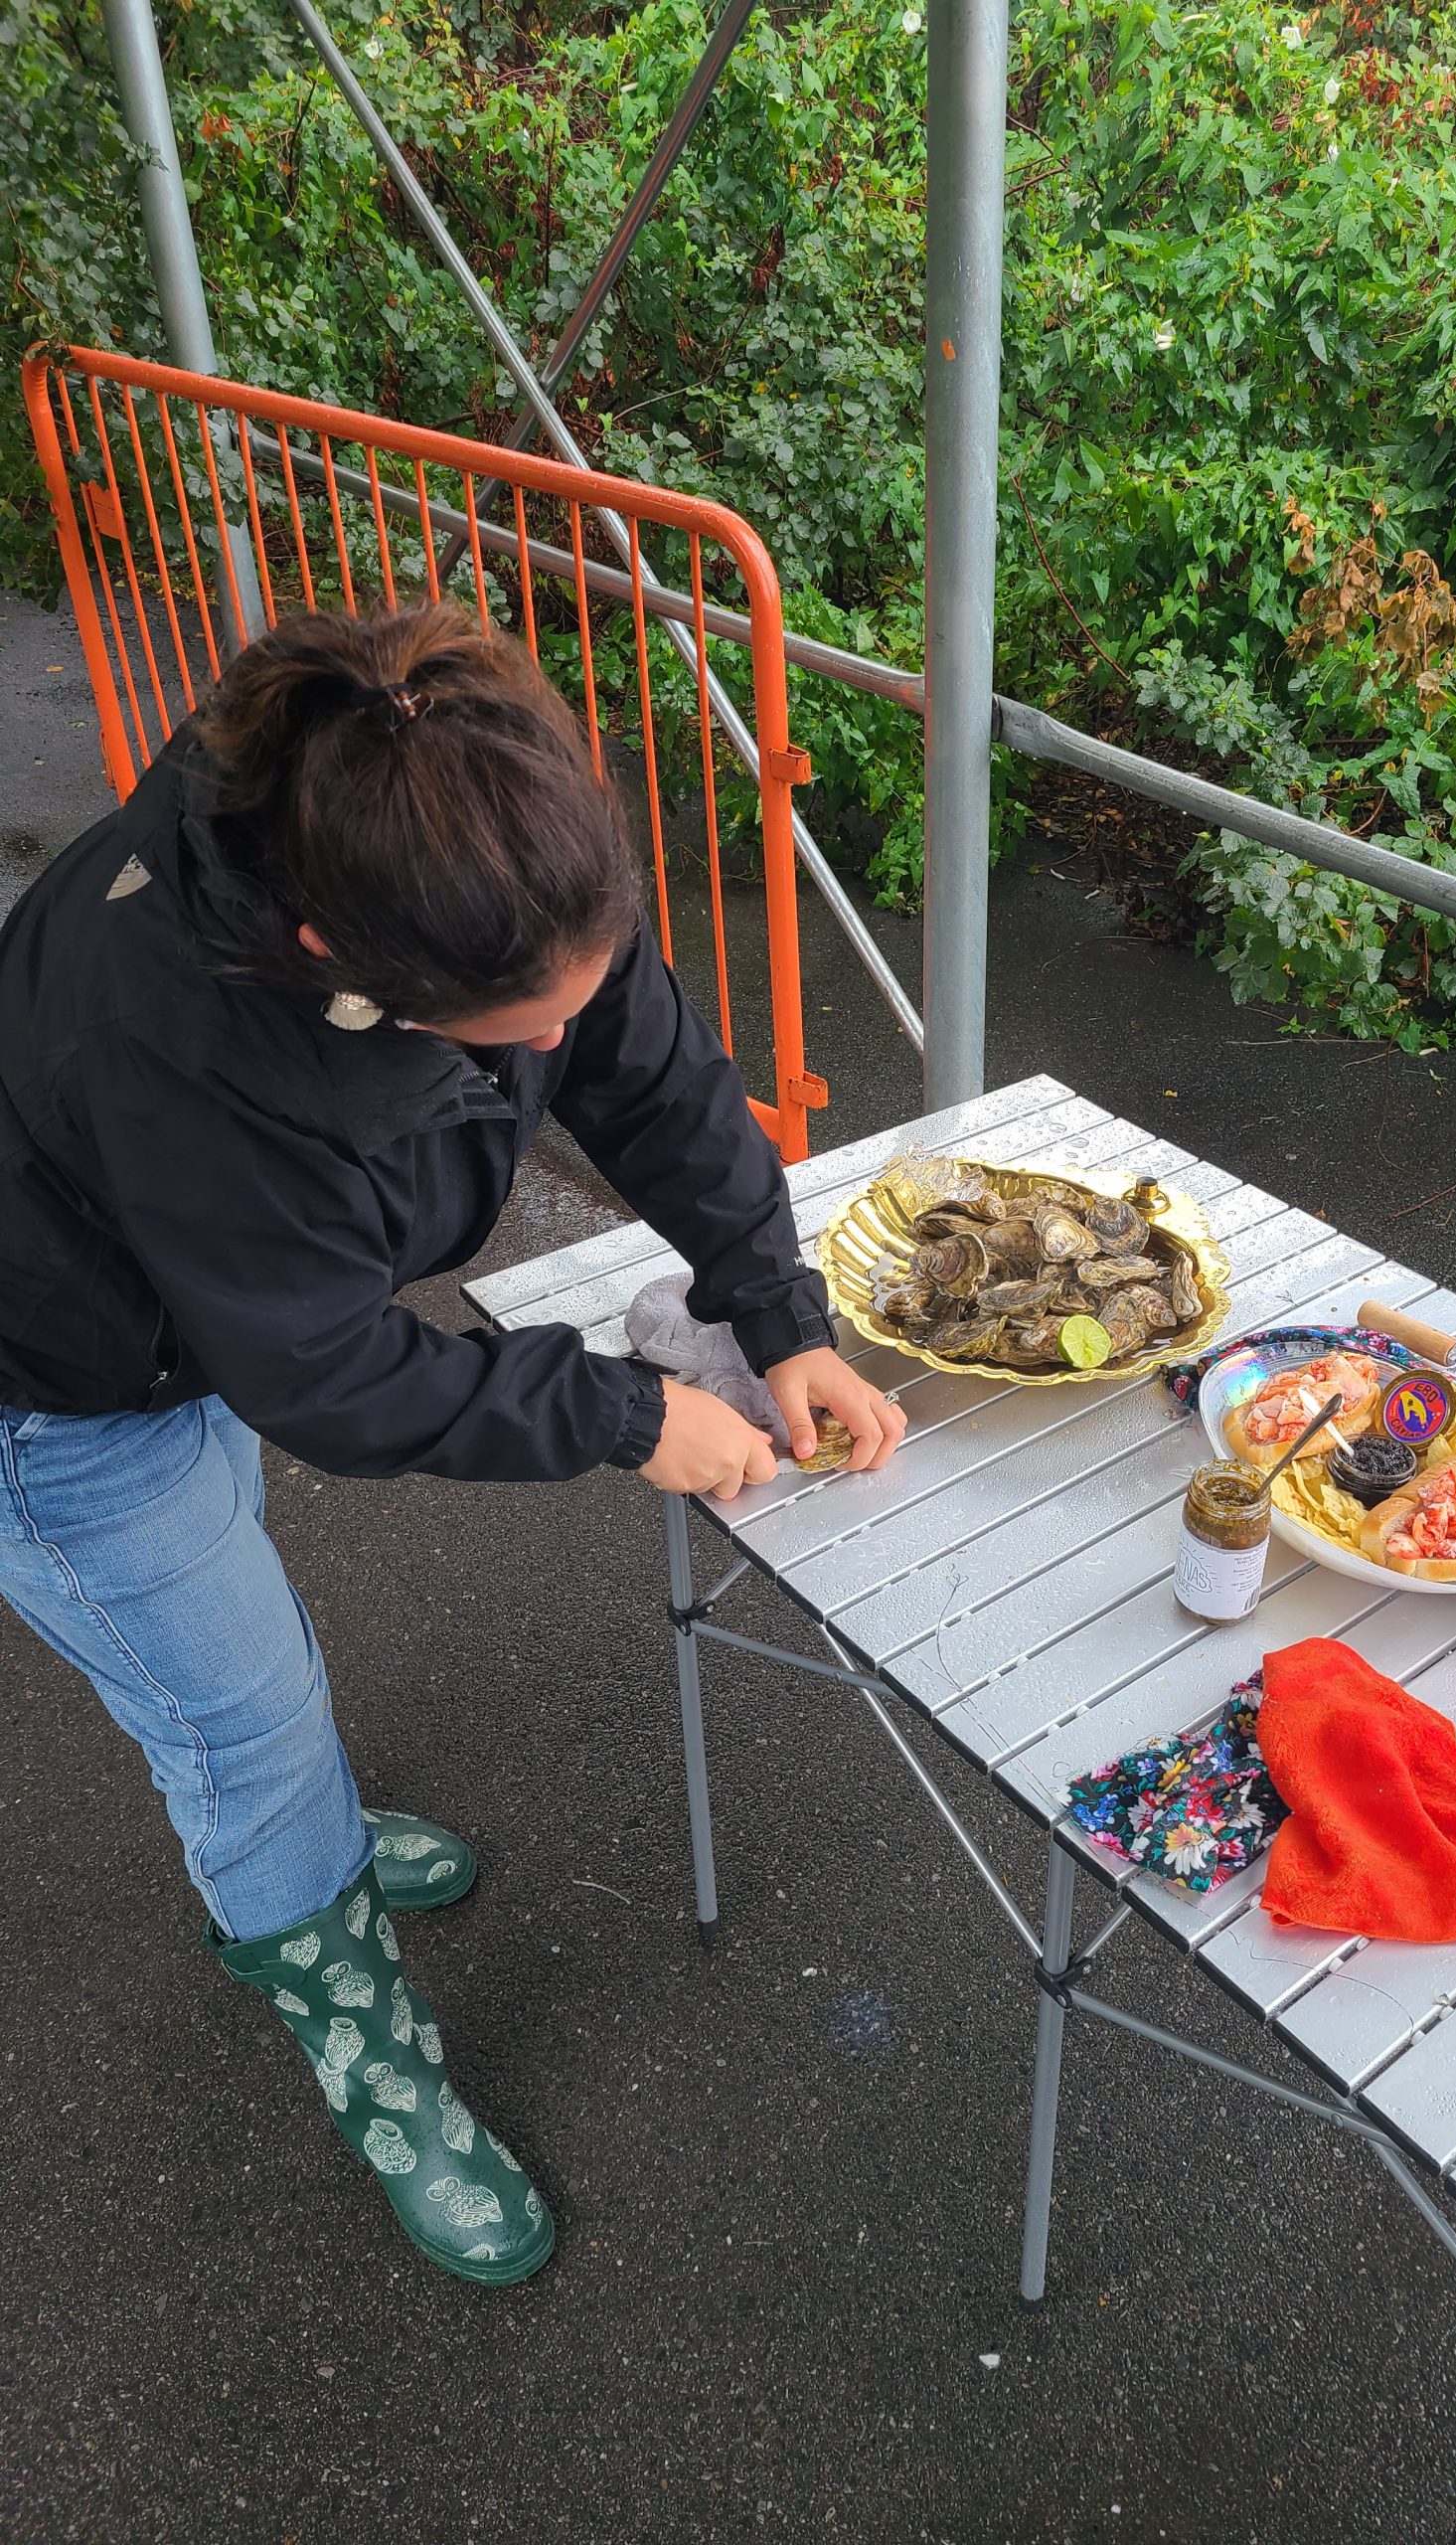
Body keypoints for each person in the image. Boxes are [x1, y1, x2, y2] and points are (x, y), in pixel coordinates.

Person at [0, 601, 904, 2286]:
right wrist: (629, 1413)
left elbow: (652, 1071)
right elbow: (328, 1374)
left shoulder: (491, 845)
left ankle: (315, 1855)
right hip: (50, 1382)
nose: (558, 1045)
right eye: (516, 1033)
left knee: (245, 1641)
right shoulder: (175, 1042)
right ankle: (347, 2010)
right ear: (346, 964)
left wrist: (780, 1313)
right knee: (239, 1719)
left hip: (200, 1304)